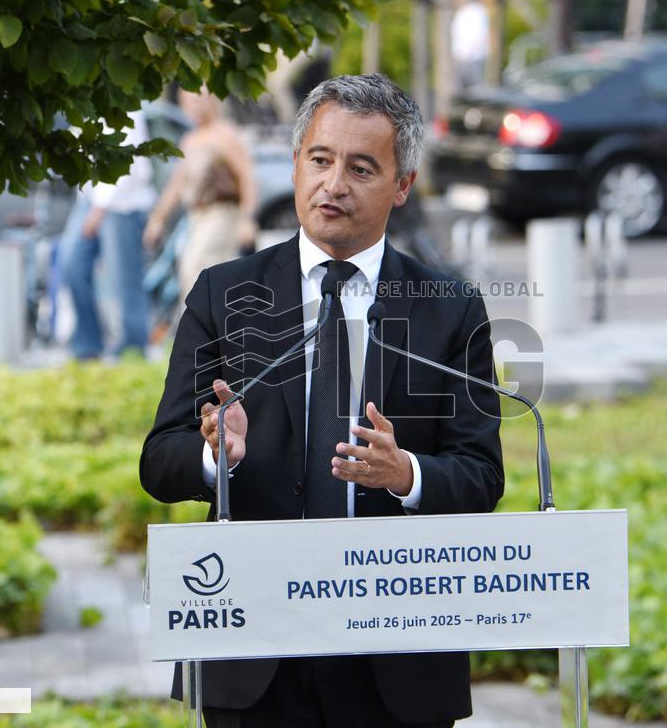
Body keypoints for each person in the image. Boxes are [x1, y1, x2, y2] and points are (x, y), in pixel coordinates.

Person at [140, 73, 503, 727]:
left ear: (402, 186)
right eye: (320, 159)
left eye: (361, 168)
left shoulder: (451, 308)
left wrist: (408, 474)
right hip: (255, 649)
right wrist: (211, 455)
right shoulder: (222, 294)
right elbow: (158, 461)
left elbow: (482, 474)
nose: (333, 183)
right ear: (297, 160)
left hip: (395, 657)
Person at [143, 89, 257, 304]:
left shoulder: (225, 135)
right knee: (192, 271)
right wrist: (157, 218)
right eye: (189, 101)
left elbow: (247, 178)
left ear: (212, 101)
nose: (195, 105)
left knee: (199, 268)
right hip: (197, 217)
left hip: (222, 214)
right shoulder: (190, 139)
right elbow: (176, 185)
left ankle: (209, 330)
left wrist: (247, 219)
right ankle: (202, 330)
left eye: (199, 99)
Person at [59, 110, 156, 359]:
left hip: (122, 203)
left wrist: (100, 208)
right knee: (72, 265)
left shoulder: (127, 103)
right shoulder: (81, 103)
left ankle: (133, 348)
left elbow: (128, 160)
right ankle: (87, 344)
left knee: (125, 279)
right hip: (89, 200)